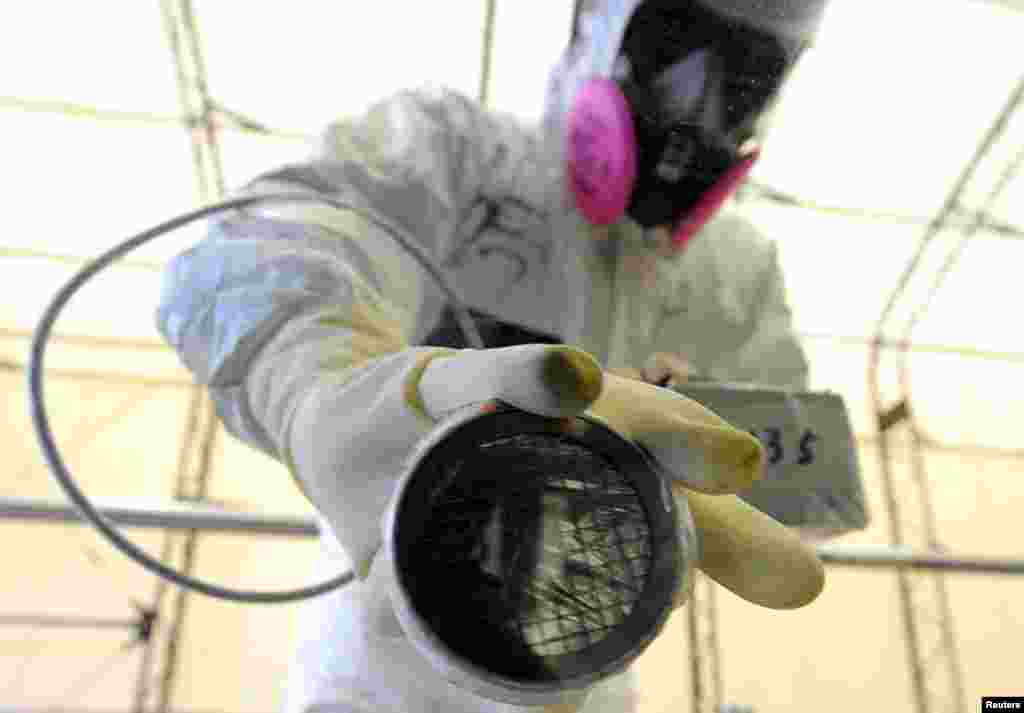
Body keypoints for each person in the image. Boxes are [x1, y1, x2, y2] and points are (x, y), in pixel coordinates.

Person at [155, 1, 831, 710]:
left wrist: (722, 434)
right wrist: (312, 381)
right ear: (591, 26)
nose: (699, 106)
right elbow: (268, 245)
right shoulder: (454, 158)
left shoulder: (736, 275)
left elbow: (806, 489)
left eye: (746, 76)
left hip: (584, 682)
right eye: (671, 46)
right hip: (379, 688)